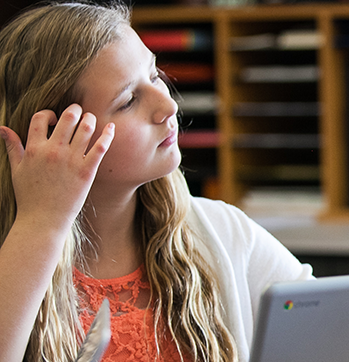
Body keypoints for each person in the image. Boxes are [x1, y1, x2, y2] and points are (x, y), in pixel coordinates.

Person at [0, 2, 313, 361]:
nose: (168, 105)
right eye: (129, 100)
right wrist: (41, 223)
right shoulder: (13, 254)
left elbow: (336, 326)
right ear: (56, 139)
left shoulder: (224, 234)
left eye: (154, 75)